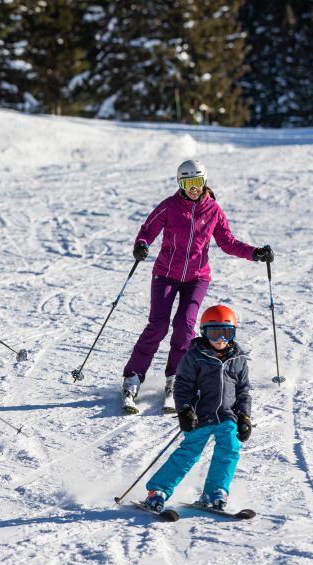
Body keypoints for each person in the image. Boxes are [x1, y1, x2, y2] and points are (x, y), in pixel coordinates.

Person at [121, 158, 273, 414]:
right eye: (188, 182)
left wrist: (254, 253)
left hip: (197, 277)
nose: (194, 187)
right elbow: (149, 228)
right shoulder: (169, 206)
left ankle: (175, 380)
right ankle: (132, 379)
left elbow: (227, 242)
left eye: (198, 182)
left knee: (185, 326)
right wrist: (142, 244)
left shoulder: (213, 209)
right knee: (157, 326)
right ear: (181, 183)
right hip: (166, 274)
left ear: (204, 181)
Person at [143, 304, 252, 512]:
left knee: (229, 449)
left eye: (226, 333)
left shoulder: (238, 359)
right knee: (189, 453)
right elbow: (182, 386)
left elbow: (243, 391)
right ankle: (158, 491)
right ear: (204, 333)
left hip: (227, 417)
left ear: (234, 333)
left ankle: (215, 492)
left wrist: (244, 417)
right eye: (214, 333)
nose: (221, 339)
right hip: (199, 416)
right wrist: (184, 410)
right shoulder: (195, 356)